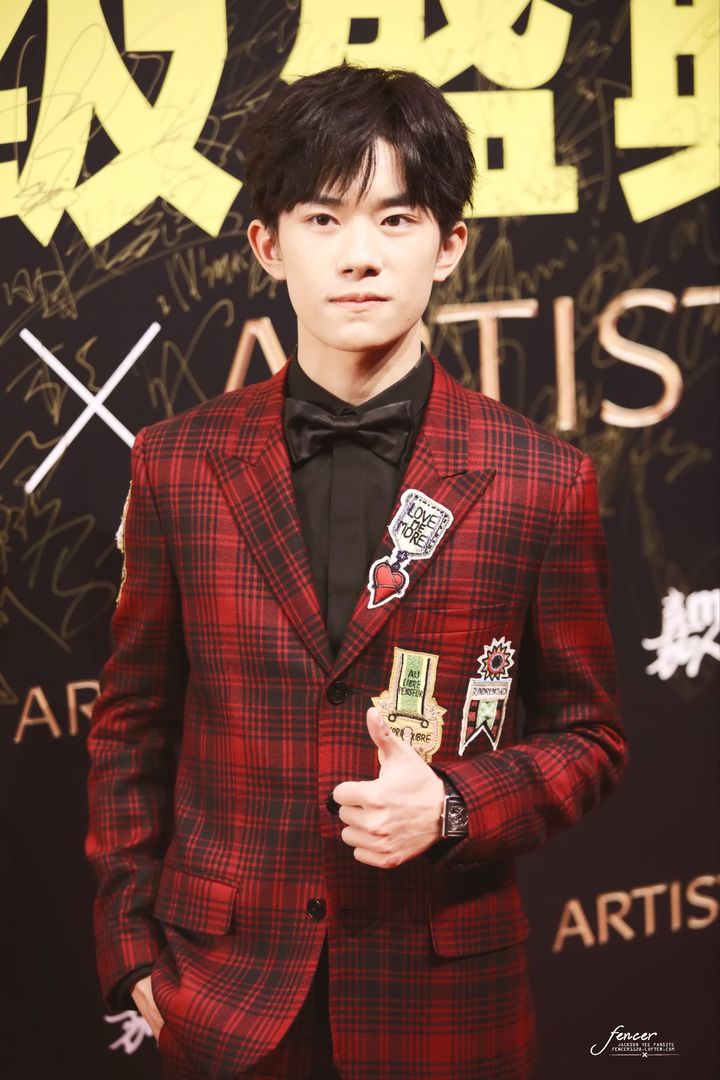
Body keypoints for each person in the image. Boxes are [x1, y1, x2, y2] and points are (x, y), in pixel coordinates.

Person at [85, 63, 629, 1080]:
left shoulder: (543, 480)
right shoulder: (175, 463)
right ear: (268, 244)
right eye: (324, 219)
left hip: (446, 1009)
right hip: (225, 1003)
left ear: (450, 244)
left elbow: (590, 737)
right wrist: (132, 954)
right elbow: (132, 723)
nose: (360, 255)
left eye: (397, 218)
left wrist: (456, 803)